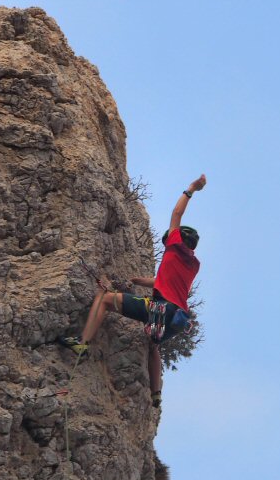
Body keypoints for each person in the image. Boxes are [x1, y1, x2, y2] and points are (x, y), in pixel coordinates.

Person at [60, 174, 206, 407]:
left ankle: (82, 342)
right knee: (153, 344)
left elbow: (176, 214)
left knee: (106, 299)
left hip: (162, 308)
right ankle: (156, 393)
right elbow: (161, 280)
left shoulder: (174, 244)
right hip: (176, 319)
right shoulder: (192, 265)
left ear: (176, 238)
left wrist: (191, 189)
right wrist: (135, 280)